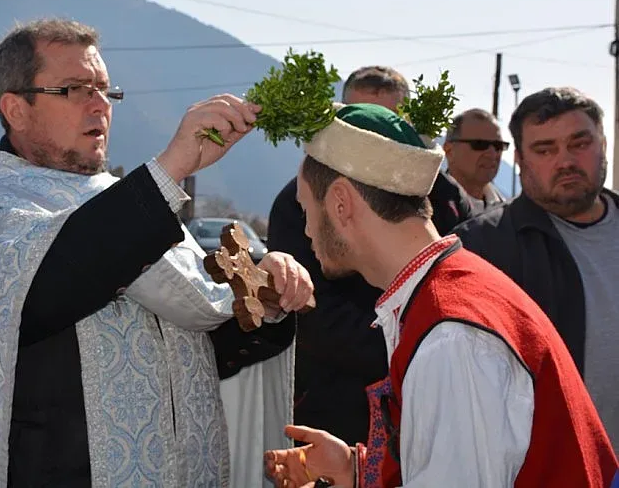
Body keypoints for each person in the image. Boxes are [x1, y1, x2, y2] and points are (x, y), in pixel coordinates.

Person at [0, 18, 314, 487]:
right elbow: (54, 285)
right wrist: (172, 168)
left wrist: (266, 297)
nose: (100, 104)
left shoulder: (133, 207)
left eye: (104, 90)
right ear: (16, 109)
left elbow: (204, 341)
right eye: (75, 89)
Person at [264, 102, 617, 487]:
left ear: (340, 204)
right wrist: (357, 469)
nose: (308, 231)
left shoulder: (450, 337)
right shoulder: (448, 291)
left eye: (306, 209)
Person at [266, 65, 472, 445]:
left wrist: (410, 352)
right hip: (336, 402)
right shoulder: (299, 199)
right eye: (356, 125)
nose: (372, 139)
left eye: (386, 123)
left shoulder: (454, 340)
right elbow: (312, 311)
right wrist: (399, 351)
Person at [455, 86, 619, 453]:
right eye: (545, 150)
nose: (565, 161)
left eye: (579, 144)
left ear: (603, 145)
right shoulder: (480, 249)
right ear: (522, 161)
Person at [443, 107, 508, 212]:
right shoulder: (426, 208)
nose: (492, 154)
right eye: (480, 144)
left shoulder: (507, 213)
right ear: (449, 150)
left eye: (498, 146)